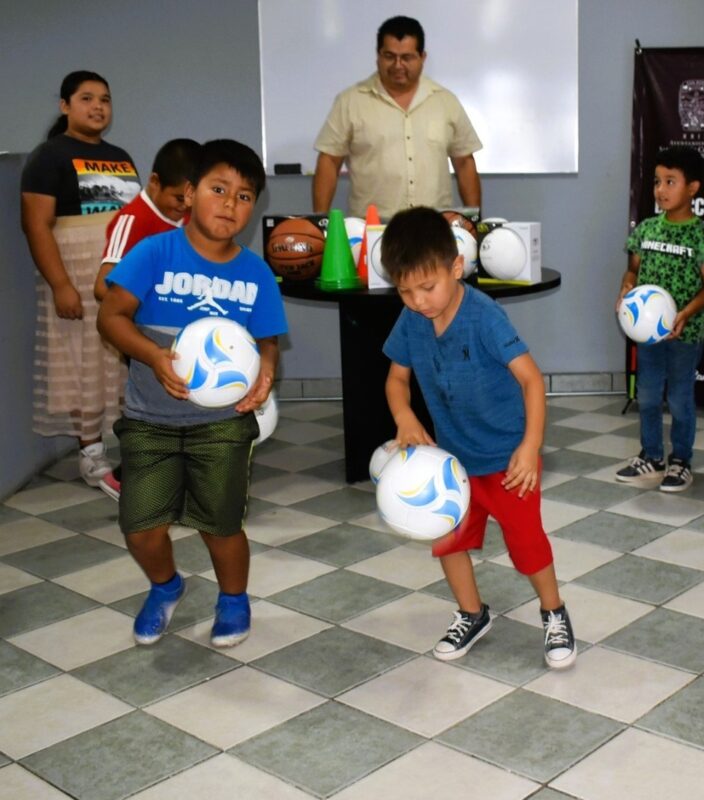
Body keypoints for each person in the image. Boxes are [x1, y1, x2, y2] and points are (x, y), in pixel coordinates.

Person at [97, 140, 287, 649]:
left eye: (244, 196)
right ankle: (166, 586)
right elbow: (110, 316)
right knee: (140, 528)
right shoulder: (154, 253)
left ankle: (233, 599)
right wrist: (153, 355)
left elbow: (267, 340)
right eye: (218, 189)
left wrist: (267, 368)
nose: (230, 204)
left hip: (222, 424)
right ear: (188, 193)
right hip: (149, 419)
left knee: (220, 525)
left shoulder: (255, 273)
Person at [380, 207, 576, 670]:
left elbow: (531, 380)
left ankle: (554, 611)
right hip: (452, 460)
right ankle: (472, 613)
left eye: (427, 287)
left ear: (455, 267)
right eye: (405, 291)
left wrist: (530, 447)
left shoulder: (484, 316)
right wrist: (404, 416)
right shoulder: (411, 319)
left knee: (527, 545)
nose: (418, 301)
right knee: (447, 540)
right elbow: (395, 380)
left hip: (508, 461)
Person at [20, 71, 140, 494]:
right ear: (65, 106)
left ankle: (135, 451)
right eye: (86, 98)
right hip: (76, 272)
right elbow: (36, 225)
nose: (98, 107)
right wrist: (61, 285)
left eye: (104, 99)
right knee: (81, 363)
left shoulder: (121, 156)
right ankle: (91, 455)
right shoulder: (48, 156)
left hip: (121, 275)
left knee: (122, 361)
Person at [615, 146, 704, 492]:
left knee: (679, 398)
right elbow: (632, 270)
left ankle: (681, 461)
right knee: (647, 396)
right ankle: (652, 456)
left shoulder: (702, 236)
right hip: (648, 336)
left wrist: (685, 313)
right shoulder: (646, 230)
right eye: (657, 182)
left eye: (670, 182)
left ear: (692, 188)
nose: (660, 189)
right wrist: (626, 289)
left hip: (684, 334)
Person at [312, 15, 482, 220]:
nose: (398, 65)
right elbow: (329, 161)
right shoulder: (350, 101)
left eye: (407, 57)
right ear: (378, 56)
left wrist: (474, 222)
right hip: (373, 228)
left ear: (422, 58)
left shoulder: (445, 102)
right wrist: (320, 223)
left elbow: (464, 163)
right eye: (389, 56)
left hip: (434, 227)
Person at [95, 138, 201, 302]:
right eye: (179, 198)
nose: (186, 205)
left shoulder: (193, 215)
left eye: (193, 199)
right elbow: (102, 289)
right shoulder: (133, 220)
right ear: (155, 182)